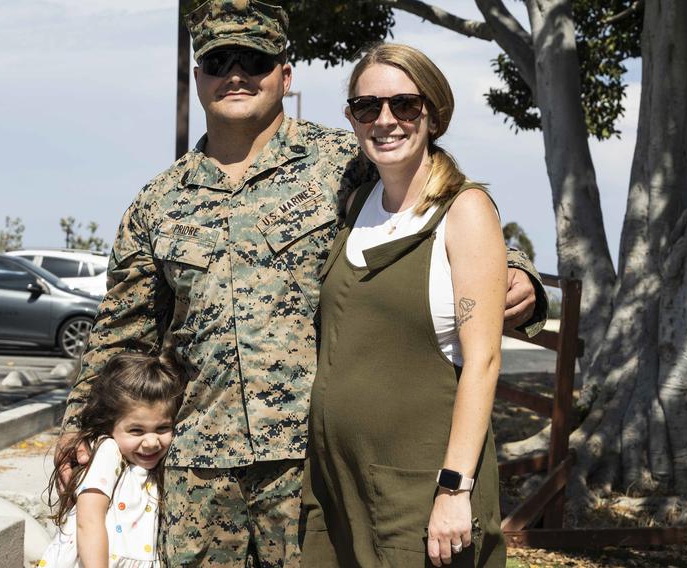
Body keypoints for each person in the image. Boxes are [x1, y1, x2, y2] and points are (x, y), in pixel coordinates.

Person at [57, 1, 547, 566]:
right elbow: (122, 330)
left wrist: (519, 273)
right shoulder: (159, 202)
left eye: (255, 60)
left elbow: (433, 202)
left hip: (309, 462)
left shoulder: (343, 162)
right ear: (198, 78)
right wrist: (79, 430)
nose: (236, 73)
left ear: (285, 75)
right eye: (219, 60)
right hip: (197, 464)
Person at [301, 43, 508, 567]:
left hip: (419, 491)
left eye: (404, 106)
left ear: (433, 114)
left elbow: (482, 361)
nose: (385, 120)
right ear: (352, 118)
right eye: (367, 107)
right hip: (339, 489)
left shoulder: (465, 211)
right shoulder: (356, 203)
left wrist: (455, 489)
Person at [42, 352, 185, 568]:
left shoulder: (152, 466)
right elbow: (89, 521)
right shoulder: (108, 452)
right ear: (110, 425)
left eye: (162, 428)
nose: (151, 442)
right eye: (136, 431)